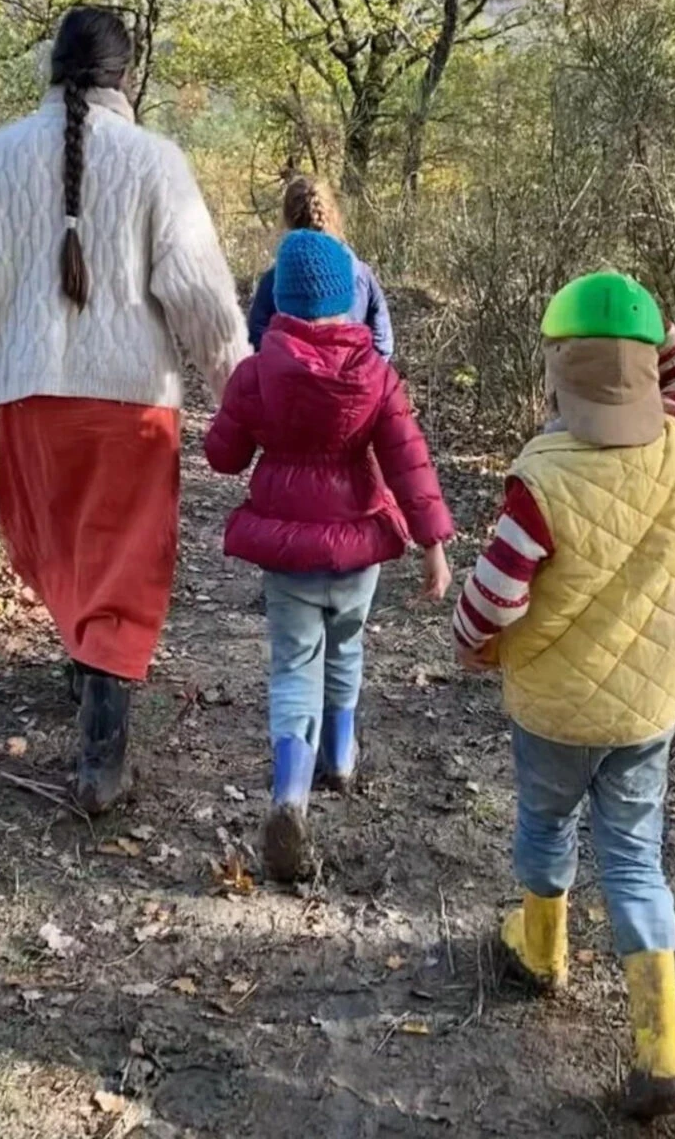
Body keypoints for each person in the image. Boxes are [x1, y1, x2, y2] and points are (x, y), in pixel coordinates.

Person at [0, 7, 250, 814]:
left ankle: (89, 671)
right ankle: (101, 755)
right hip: (131, 404)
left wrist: (18, 317)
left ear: (52, 67)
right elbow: (200, 299)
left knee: (60, 545)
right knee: (121, 559)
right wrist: (240, 396)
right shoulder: (155, 161)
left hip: (29, 398)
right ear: (126, 76)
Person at [452, 271, 675, 1121]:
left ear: (557, 371)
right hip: (645, 706)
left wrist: (471, 645)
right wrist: (646, 323)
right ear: (644, 371)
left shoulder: (541, 475)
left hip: (555, 709)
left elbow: (494, 597)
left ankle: (540, 951)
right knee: (635, 857)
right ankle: (659, 1045)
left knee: (545, 821)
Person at [206, 230, 453, 881]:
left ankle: (289, 793)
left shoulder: (255, 374)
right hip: (356, 544)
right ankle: (339, 757)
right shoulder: (375, 374)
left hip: (287, 549)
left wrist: (239, 413)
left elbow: (223, 457)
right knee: (345, 646)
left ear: (280, 300)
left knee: (293, 665)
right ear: (348, 300)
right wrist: (432, 545)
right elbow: (408, 462)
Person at [247, 176, 394, 360]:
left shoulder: (273, 279)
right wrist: (365, 379)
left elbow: (256, 339)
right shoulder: (361, 274)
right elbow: (383, 343)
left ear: (286, 218)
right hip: (352, 384)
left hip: (288, 385)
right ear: (333, 212)